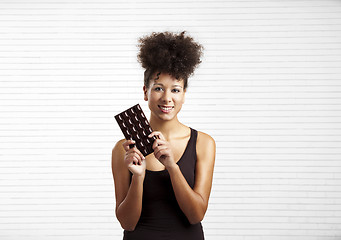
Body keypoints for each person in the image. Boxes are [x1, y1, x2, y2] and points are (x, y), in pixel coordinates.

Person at [111, 31, 216, 240]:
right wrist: (138, 177)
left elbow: (196, 214)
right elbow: (127, 223)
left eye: (175, 90)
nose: (167, 98)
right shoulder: (124, 148)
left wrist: (172, 167)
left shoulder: (203, 143)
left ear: (184, 94)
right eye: (158, 88)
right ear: (145, 92)